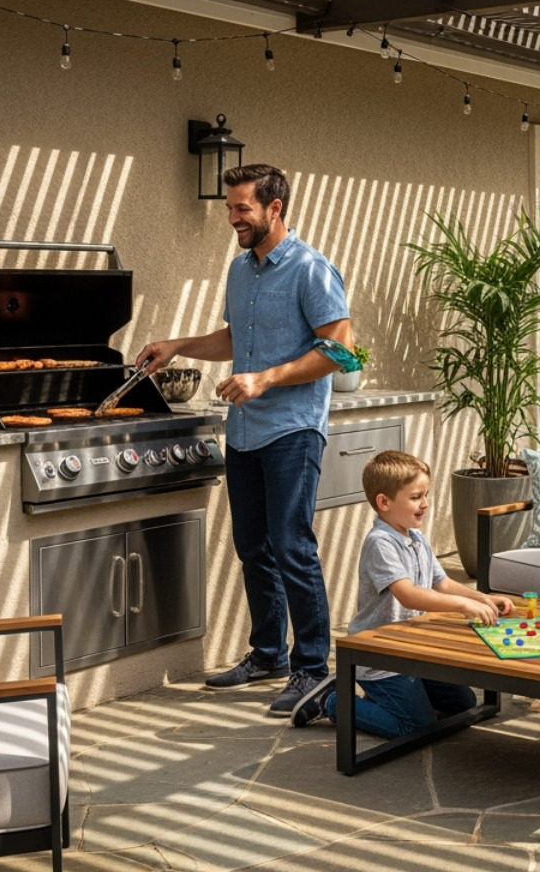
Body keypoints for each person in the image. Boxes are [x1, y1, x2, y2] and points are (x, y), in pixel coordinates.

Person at [137, 163, 353, 718]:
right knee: (252, 548)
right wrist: (177, 345)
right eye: (230, 208)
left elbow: (339, 350)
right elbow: (234, 336)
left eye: (242, 209)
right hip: (246, 432)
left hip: (292, 430)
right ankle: (267, 655)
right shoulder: (240, 270)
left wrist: (265, 377)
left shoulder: (311, 269)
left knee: (292, 546)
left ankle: (311, 668)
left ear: (274, 208)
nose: (232, 217)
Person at [291, 451, 512, 732]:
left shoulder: (417, 538)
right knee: (417, 726)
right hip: (381, 655)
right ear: (384, 502)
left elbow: (440, 583)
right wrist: (462, 606)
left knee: (464, 703)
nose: (425, 504)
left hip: (411, 652)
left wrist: (483, 598)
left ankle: (391, 699)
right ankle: (333, 701)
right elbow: (407, 594)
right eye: (416, 497)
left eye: (426, 495)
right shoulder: (380, 543)